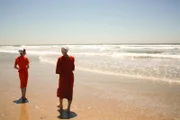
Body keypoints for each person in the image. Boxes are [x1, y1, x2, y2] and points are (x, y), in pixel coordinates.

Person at [56, 47, 75, 112]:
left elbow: (58, 70)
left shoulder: (60, 59)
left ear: (62, 51)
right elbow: (73, 68)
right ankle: (68, 108)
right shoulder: (72, 58)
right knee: (69, 91)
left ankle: (61, 105)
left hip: (63, 77)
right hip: (70, 77)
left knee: (61, 90)